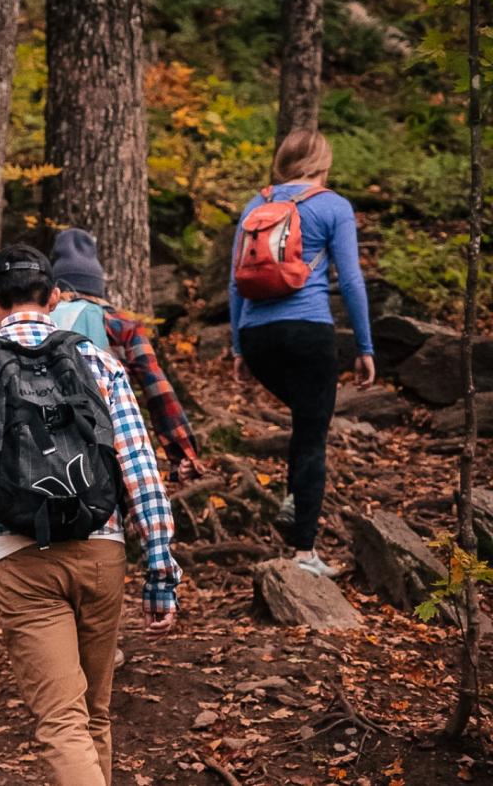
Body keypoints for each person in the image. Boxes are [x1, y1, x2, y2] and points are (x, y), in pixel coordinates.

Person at [0, 245, 181, 786]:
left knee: (63, 722)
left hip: (21, 559)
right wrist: (161, 572)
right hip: (102, 550)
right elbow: (140, 471)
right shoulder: (99, 362)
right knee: (94, 715)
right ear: (56, 297)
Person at [229, 129, 375, 579]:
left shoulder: (255, 206)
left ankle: (294, 500)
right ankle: (304, 551)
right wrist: (365, 346)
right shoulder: (333, 206)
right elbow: (350, 280)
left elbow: (235, 282)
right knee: (313, 434)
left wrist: (238, 346)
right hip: (308, 331)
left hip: (258, 336)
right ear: (322, 163)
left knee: (305, 420)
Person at [50, 227, 207, 482]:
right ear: (97, 286)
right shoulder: (119, 324)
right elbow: (157, 390)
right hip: (105, 448)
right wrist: (184, 453)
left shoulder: (36, 323)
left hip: (42, 446)